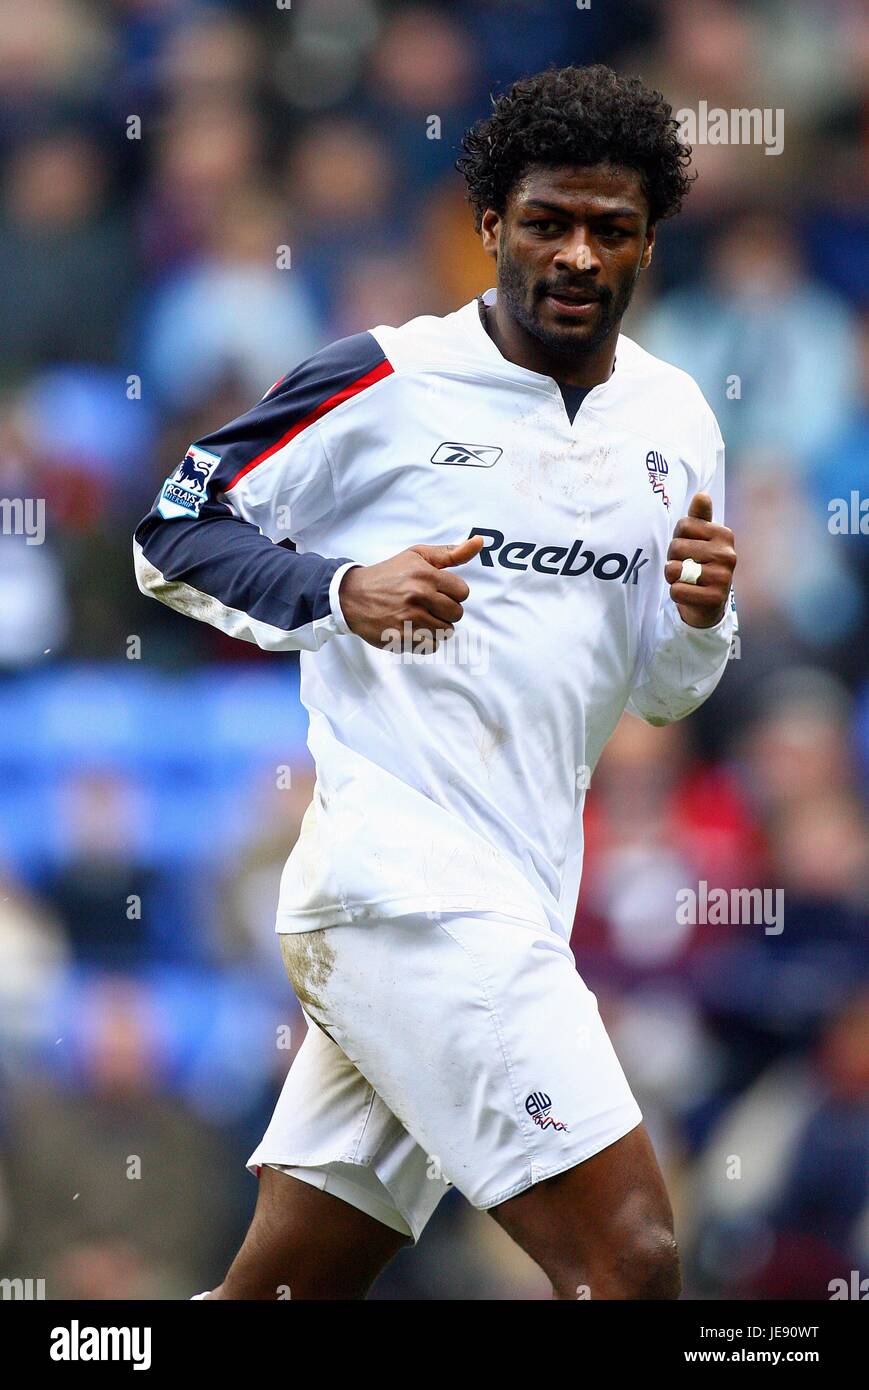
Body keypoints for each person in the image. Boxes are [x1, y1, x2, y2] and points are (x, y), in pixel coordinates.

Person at [134, 64, 738, 1300]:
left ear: (645, 242)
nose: (575, 255)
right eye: (545, 224)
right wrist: (339, 587)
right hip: (404, 894)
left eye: (607, 230)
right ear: (486, 230)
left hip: (512, 898)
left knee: (287, 1292)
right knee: (631, 1260)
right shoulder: (384, 379)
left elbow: (664, 694)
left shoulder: (673, 418)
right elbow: (169, 532)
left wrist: (698, 618)